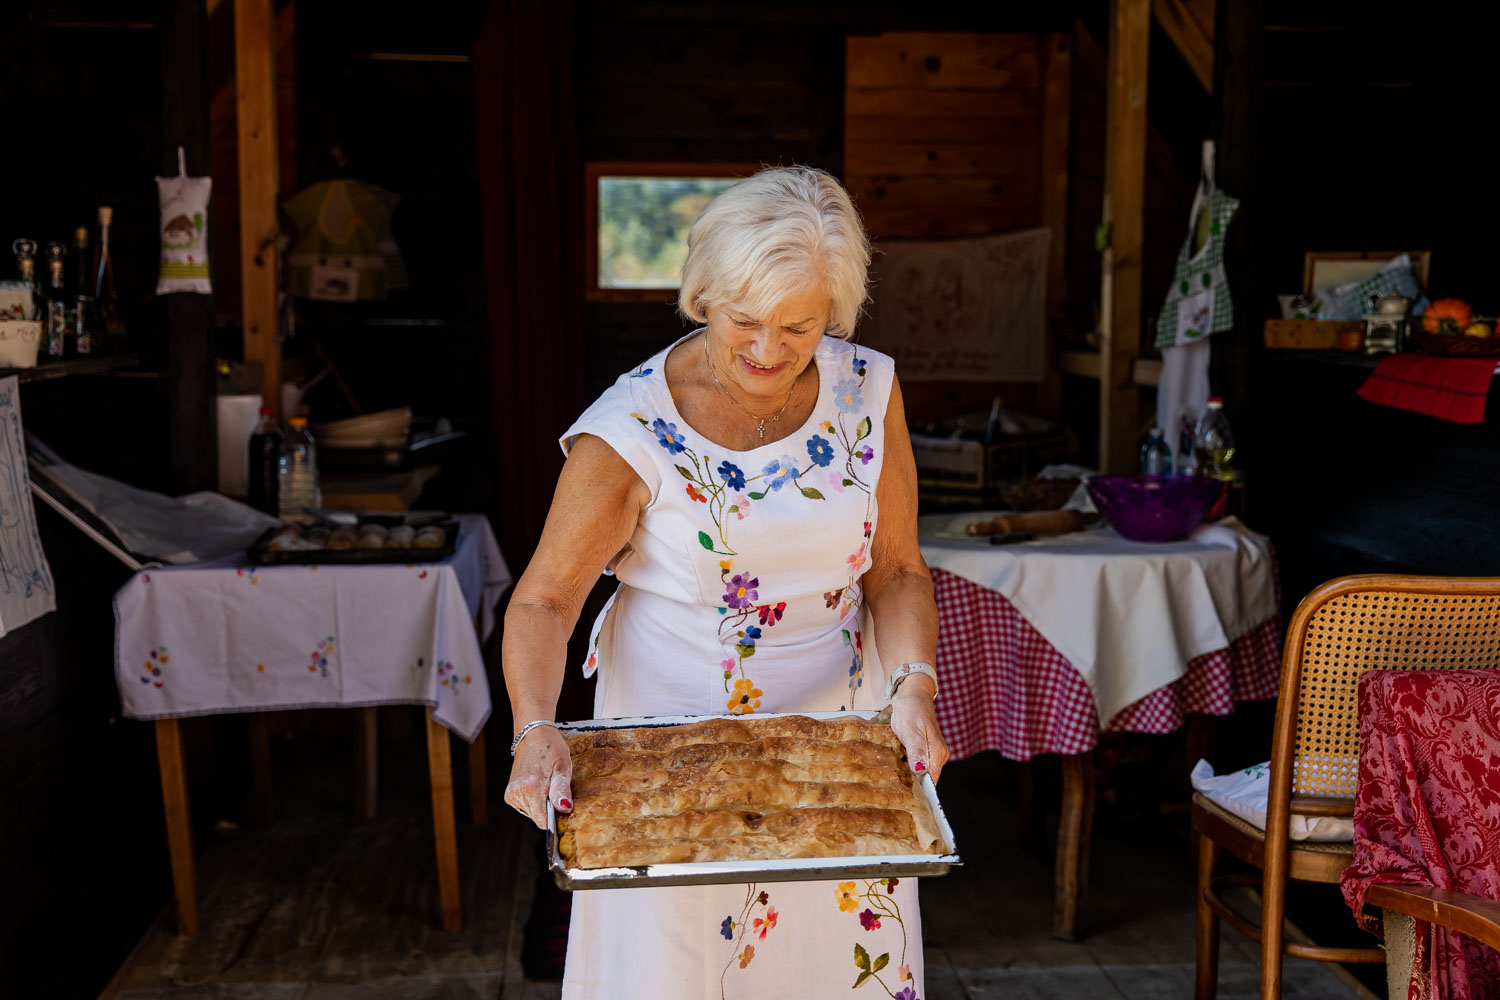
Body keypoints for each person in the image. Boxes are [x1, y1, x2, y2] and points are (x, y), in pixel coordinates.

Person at [503, 165, 949, 1000]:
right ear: (702, 296)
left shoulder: (868, 391)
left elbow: (895, 568)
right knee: (679, 968)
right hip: (672, 757)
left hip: (836, 735)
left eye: (801, 327)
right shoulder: (630, 427)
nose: (769, 350)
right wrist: (534, 729)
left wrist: (914, 682)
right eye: (745, 320)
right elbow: (544, 599)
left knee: (831, 965)